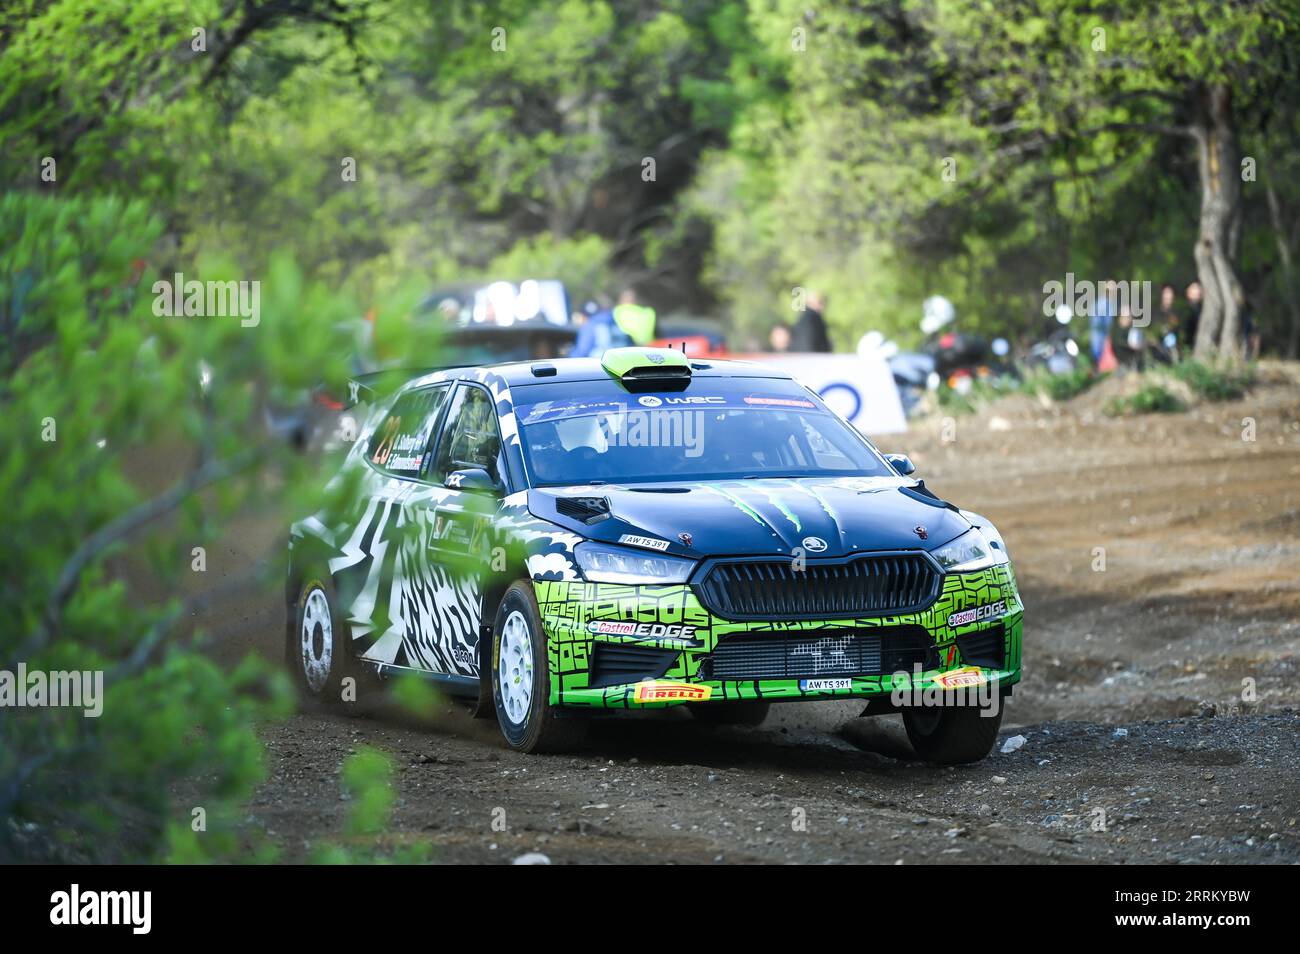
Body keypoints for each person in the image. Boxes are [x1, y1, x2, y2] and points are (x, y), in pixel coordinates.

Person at [1089, 280, 1115, 367]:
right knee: (1100, 355)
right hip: (1100, 333)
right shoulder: (1104, 303)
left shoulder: (1106, 303)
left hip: (1099, 333)